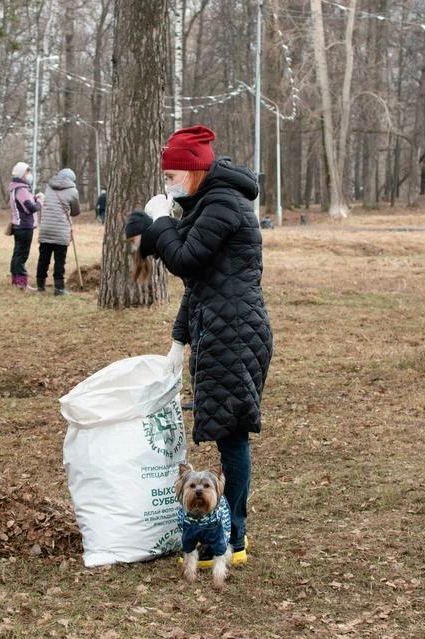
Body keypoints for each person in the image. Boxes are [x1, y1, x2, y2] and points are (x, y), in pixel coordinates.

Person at [124, 125, 272, 567]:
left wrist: (162, 223)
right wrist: (178, 341)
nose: (168, 182)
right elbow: (198, 282)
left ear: (193, 170)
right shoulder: (208, 201)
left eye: (172, 174)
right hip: (221, 326)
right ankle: (227, 532)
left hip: (235, 332)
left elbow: (184, 258)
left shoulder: (224, 203)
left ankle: (233, 538)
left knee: (231, 436)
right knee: (227, 431)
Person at [37, 168, 81, 295]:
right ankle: (59, 287)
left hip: (45, 228)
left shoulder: (49, 188)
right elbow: (76, 211)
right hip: (61, 230)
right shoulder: (73, 191)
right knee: (59, 260)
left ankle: (40, 285)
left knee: (43, 257)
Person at [8, 161, 43, 289]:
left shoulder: (16, 188)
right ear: (23, 174)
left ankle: (16, 281)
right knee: (22, 254)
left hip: (18, 225)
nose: (30, 174)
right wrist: (39, 202)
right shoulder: (22, 189)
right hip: (24, 226)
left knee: (17, 253)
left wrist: (33, 197)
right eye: (28, 172)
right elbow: (30, 208)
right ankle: (22, 283)